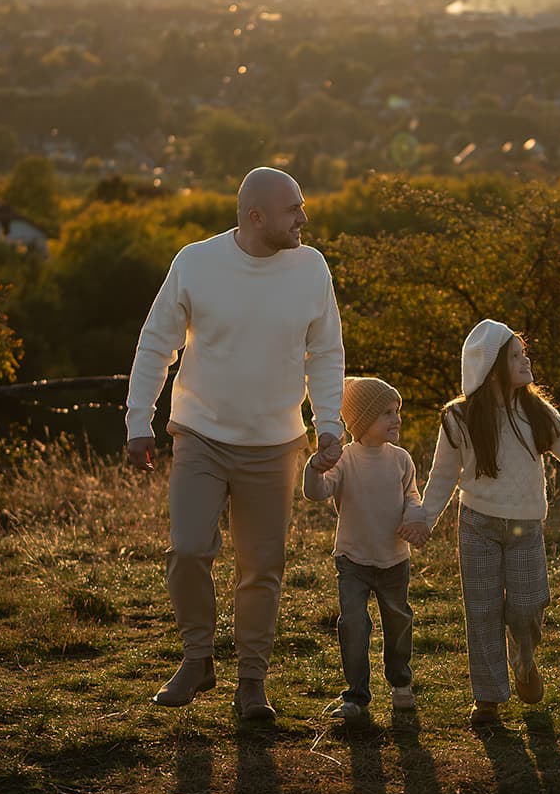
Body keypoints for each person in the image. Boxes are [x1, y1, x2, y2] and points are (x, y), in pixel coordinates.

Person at [125, 167, 346, 721]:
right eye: (294, 208)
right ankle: (198, 658)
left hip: (276, 444)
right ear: (256, 217)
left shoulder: (312, 268)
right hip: (200, 434)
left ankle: (252, 682)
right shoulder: (196, 262)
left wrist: (328, 424)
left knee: (261, 567)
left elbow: (326, 354)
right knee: (190, 550)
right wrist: (137, 421)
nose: (304, 218)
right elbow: (156, 344)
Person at [413, 319, 560, 727]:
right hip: (477, 525)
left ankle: (524, 661)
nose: (526, 359)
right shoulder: (459, 419)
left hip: (524, 529)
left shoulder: (536, 412)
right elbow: (442, 477)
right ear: (492, 366)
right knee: (481, 611)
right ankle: (488, 701)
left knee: (526, 608)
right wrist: (424, 520)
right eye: (515, 355)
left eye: (523, 352)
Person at [303, 376, 427, 723]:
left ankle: (401, 682)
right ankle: (356, 696)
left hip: (394, 560)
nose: (396, 419)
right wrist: (314, 467)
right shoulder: (344, 459)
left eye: (397, 411)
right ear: (360, 421)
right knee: (354, 625)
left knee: (399, 621)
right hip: (353, 559)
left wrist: (415, 518)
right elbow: (318, 492)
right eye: (386, 413)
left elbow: (412, 497)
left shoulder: (402, 459)